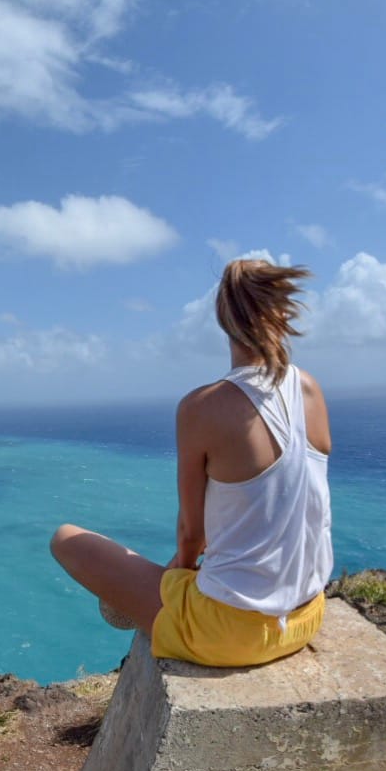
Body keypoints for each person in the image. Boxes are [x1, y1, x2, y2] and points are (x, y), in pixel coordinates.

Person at [49, 260, 333, 667]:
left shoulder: (202, 407)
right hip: (307, 615)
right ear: (282, 313)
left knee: (65, 538)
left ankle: (160, 613)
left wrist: (175, 581)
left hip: (231, 634)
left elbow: (190, 534)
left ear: (223, 322)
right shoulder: (309, 388)